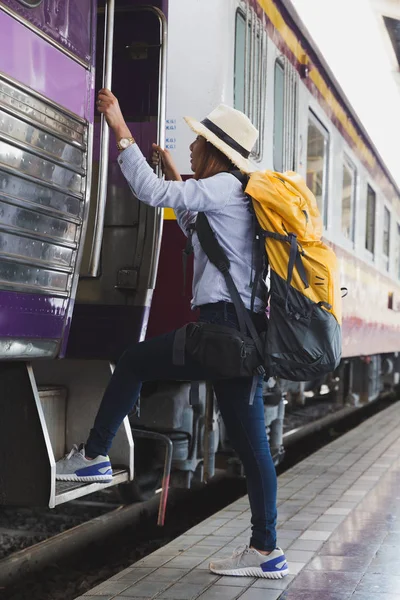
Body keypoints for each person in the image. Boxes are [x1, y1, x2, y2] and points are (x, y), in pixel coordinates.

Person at [55, 88, 288, 579]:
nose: (190, 146)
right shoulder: (230, 195)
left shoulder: (225, 187)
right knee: (253, 448)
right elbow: (191, 225)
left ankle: (94, 456)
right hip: (238, 338)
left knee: (136, 361)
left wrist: (121, 129)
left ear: (215, 152)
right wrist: (175, 177)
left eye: (197, 142)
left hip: (222, 331)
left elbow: (153, 196)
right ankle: (266, 550)